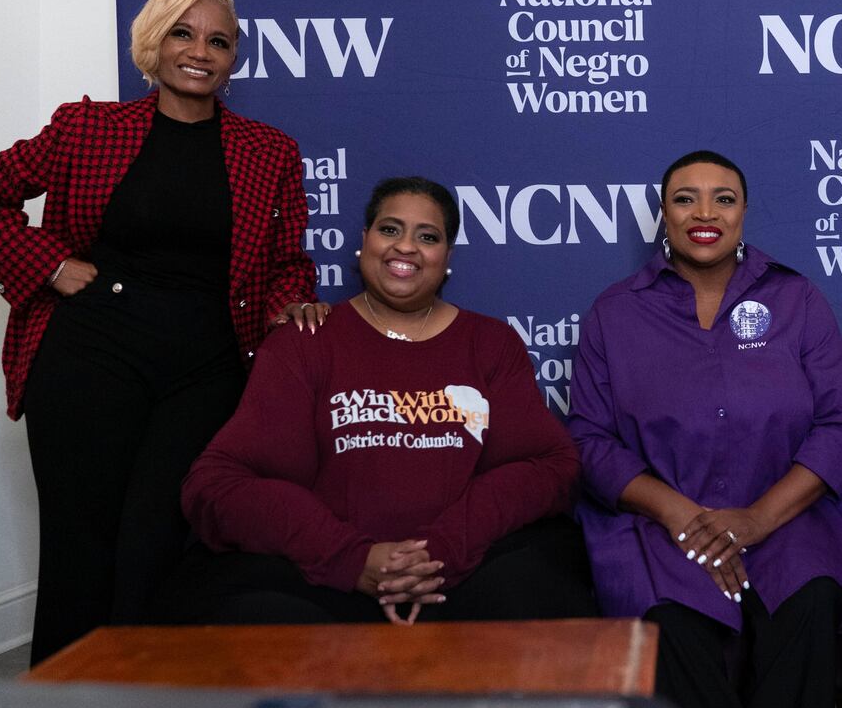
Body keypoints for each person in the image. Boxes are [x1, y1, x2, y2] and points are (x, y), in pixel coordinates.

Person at [0, 0, 320, 664]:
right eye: (183, 32)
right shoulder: (85, 127)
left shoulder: (270, 150)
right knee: (78, 544)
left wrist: (289, 304)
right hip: (91, 352)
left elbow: (286, 262)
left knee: (156, 540)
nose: (199, 52)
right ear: (154, 40)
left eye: (218, 40)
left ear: (234, 56)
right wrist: (51, 263)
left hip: (205, 367)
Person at [569, 150, 842, 708]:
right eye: (686, 198)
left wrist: (758, 518)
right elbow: (589, 440)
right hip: (662, 520)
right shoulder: (614, 313)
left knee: (810, 603)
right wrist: (679, 513)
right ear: (663, 214)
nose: (705, 213)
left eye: (723, 197)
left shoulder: (796, 297)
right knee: (673, 625)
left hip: (785, 512)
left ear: (743, 211)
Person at [171, 177, 594, 626]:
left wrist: (442, 550)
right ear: (364, 242)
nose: (406, 247)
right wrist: (352, 559)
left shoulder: (489, 343)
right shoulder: (304, 342)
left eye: (427, 237)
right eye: (390, 229)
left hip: (461, 575)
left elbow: (551, 465)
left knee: (538, 583)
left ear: (447, 258)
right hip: (326, 581)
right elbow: (216, 485)